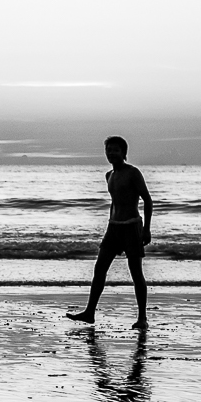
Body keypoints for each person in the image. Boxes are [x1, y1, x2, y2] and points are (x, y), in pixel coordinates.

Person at [66, 135, 153, 330]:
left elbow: (147, 200)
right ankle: (89, 313)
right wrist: (110, 224)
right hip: (113, 227)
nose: (111, 153)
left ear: (124, 153)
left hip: (132, 226)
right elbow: (115, 202)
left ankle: (142, 318)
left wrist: (146, 229)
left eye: (116, 150)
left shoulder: (133, 173)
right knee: (100, 269)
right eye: (109, 150)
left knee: (136, 272)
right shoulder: (109, 175)